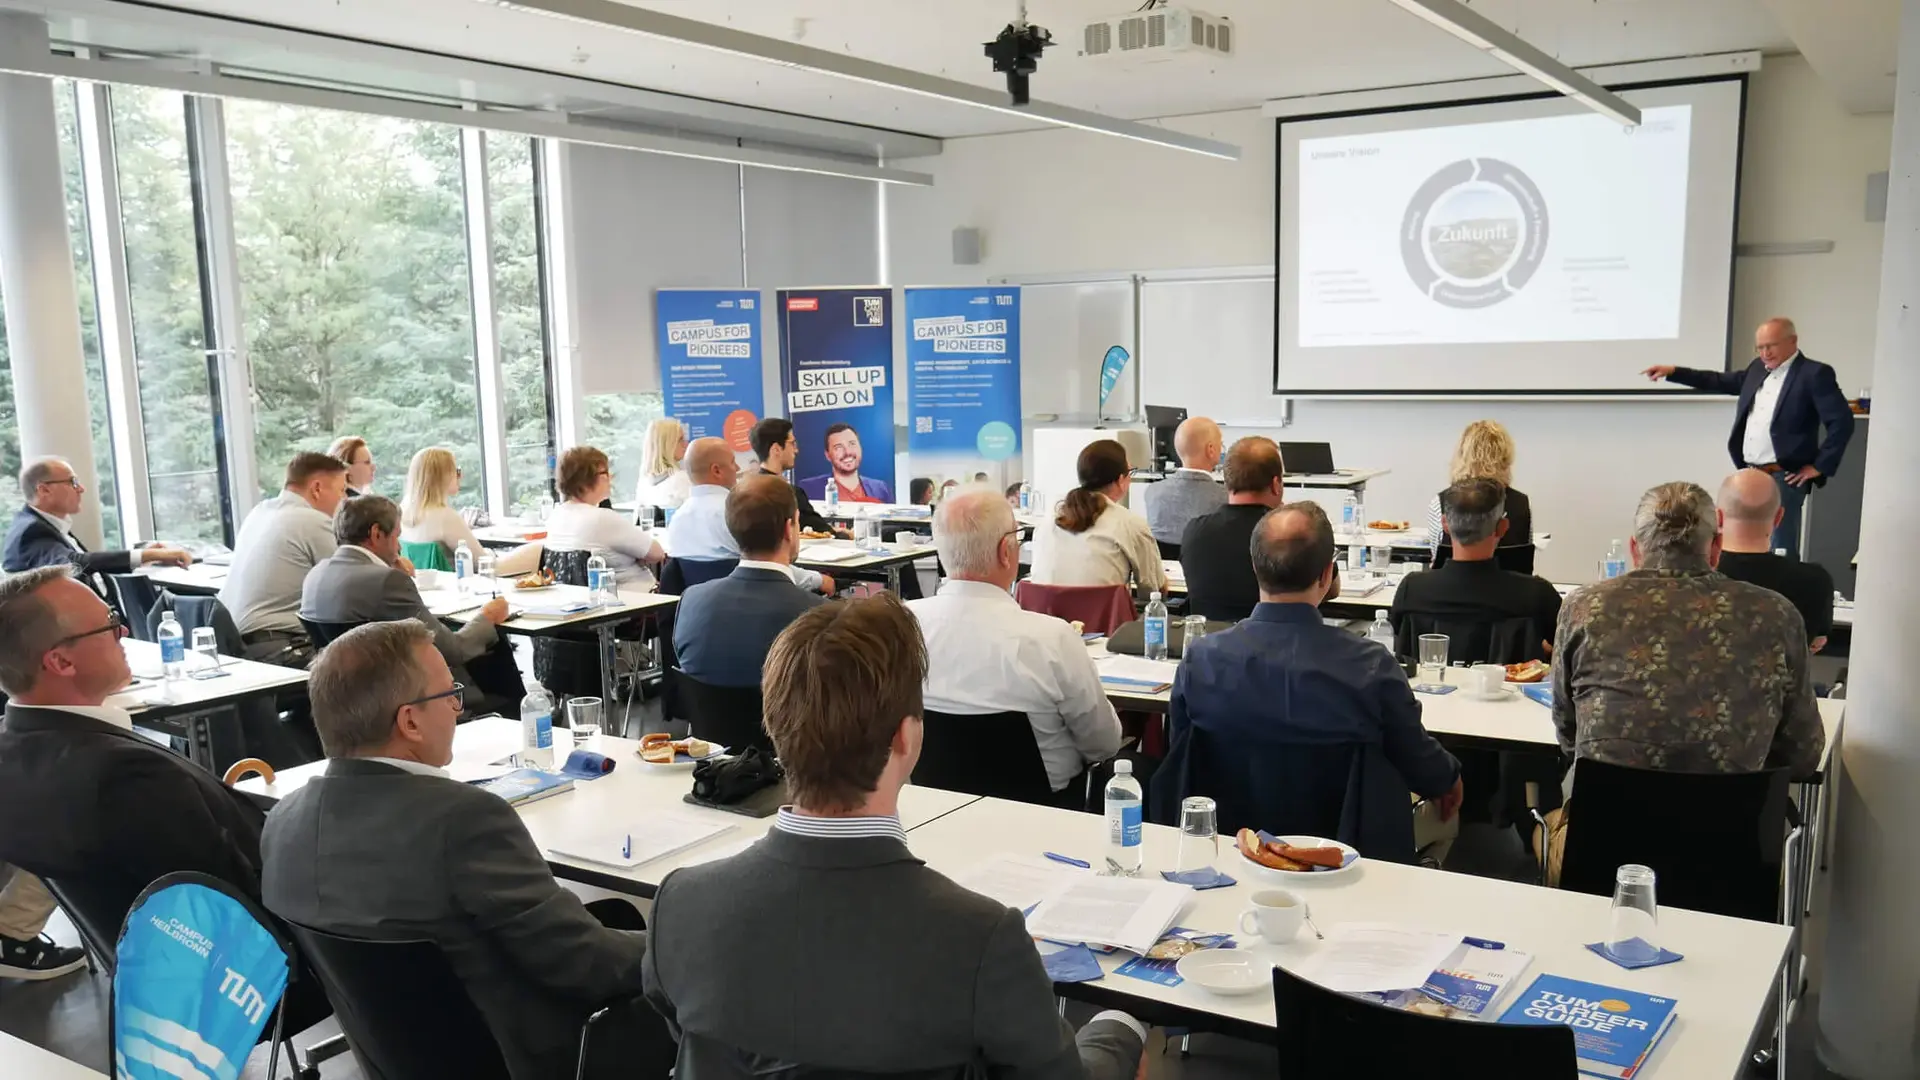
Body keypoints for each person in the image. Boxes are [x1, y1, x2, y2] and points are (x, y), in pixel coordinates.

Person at [643, 594, 1147, 1079]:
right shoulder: (981, 939)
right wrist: (1120, 1027)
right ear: (907, 738)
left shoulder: (678, 906)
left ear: (774, 728)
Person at [260, 621, 673, 1080]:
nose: (458, 710)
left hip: (401, 1057)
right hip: (544, 1055)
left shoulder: (282, 824)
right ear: (410, 721)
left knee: (616, 914)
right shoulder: (464, 821)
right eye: (449, 694)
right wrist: (687, 943)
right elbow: (587, 966)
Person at [1542, 481, 1828, 878]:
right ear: (1715, 548)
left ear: (1634, 548)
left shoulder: (1583, 608)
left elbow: (1569, 734)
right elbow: (1802, 754)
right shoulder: (1776, 614)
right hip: (1734, 854)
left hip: (1604, 851)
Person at [0, 567, 268, 982]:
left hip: (156, 974)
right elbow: (233, 895)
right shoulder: (127, 778)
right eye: (108, 623)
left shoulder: (16, 755)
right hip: (251, 973)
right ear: (61, 660)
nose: (123, 629)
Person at [1163, 502, 1463, 861]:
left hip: (1235, 852)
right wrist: (1451, 778)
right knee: (1449, 815)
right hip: (1347, 858)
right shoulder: (1370, 666)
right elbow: (1423, 767)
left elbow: (1182, 753)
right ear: (1327, 574)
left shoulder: (1200, 660)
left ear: (1255, 568)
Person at [908, 488, 1121, 801]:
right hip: (1049, 816)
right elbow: (1103, 744)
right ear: (1005, 553)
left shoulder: (900, 627)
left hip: (935, 809)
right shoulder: (1053, 639)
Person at [1642, 318, 1856, 558]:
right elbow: (1717, 381)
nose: (1765, 353)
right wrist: (1674, 372)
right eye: (1760, 347)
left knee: (1778, 546)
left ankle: (1781, 595)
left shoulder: (1814, 374)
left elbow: (1842, 421)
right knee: (1739, 542)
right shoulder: (1757, 370)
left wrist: (1819, 466)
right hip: (1748, 473)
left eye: (1771, 346)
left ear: (1792, 341)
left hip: (1784, 476)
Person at [302, 495, 524, 714]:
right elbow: (452, 650)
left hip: (348, 700)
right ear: (377, 534)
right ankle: (526, 718)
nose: (398, 547)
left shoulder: (315, 576)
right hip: (403, 698)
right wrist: (487, 617)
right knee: (495, 644)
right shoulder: (388, 581)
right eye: (397, 536)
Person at [673, 476, 825, 688]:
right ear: (788, 529)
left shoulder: (691, 602)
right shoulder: (819, 616)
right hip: (787, 721)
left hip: (711, 721)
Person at [1392, 479, 1561, 664]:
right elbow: (1569, 649)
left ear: (1445, 524)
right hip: (1508, 692)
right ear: (1502, 527)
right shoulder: (1536, 595)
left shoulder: (1412, 590)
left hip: (1426, 692)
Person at [219, 452, 349, 664]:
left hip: (237, 645)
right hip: (278, 647)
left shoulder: (259, 512)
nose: (344, 500)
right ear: (317, 489)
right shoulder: (312, 520)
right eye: (342, 490)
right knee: (369, 672)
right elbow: (353, 579)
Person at [667, 438, 830, 595]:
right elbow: (768, 566)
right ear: (716, 470)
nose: (737, 468)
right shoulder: (735, 511)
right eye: (732, 462)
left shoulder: (676, 519)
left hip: (707, 611)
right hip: (764, 601)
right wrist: (819, 580)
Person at [4, 457, 190, 584]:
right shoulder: (31, 531)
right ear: (44, 490)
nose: (81, 489)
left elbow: (90, 566)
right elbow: (76, 563)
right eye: (73, 482)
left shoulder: (45, 523)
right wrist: (150, 555)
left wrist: (143, 559)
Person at [1714, 468, 1834, 651]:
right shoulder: (1816, 582)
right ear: (1779, 517)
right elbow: (1815, 645)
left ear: (1718, 517)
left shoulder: (1690, 578)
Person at [1030, 439, 1167, 592]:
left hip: (1045, 614)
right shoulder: (1130, 524)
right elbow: (1153, 591)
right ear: (1121, 480)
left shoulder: (1049, 520)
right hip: (1102, 615)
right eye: (1130, 472)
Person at [1179, 437, 1286, 622]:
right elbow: (1330, 589)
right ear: (1276, 485)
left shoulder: (1194, 531)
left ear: (1227, 481)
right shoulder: (1289, 536)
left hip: (1208, 643)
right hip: (1273, 646)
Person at [399, 446, 540, 576]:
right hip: (464, 583)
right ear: (443, 476)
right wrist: (492, 553)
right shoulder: (445, 516)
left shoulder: (403, 510)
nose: (460, 476)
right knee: (537, 548)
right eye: (457, 471)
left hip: (426, 587)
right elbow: (481, 562)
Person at [545, 446, 666, 590]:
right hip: (637, 602)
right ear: (590, 478)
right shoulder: (601, 518)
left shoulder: (557, 515)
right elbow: (657, 554)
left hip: (587, 603)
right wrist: (637, 558)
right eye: (606, 472)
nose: (611, 478)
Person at [1424, 420, 1534, 573]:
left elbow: (1437, 556)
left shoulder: (1441, 502)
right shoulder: (1521, 503)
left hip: (1451, 591)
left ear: (1462, 454)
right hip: (1510, 594)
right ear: (1505, 457)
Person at [747, 417, 843, 536]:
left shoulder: (746, 492)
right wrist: (845, 534)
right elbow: (824, 532)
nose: (796, 450)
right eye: (792, 443)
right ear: (776, 449)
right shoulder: (789, 494)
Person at [1144, 416, 1225, 547]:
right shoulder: (1224, 498)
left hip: (1162, 567)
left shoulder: (1152, 492)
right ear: (1211, 450)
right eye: (1221, 444)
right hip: (1203, 566)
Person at [799, 422, 893, 503]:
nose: (848, 452)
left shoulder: (881, 489)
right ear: (828, 455)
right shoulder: (808, 489)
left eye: (852, 444)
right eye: (838, 447)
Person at [633, 418, 692, 512]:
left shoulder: (644, 481)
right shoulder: (681, 479)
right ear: (667, 444)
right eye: (680, 440)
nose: (686, 444)